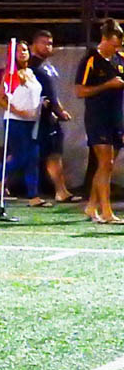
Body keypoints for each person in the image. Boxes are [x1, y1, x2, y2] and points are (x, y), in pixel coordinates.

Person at [0, 41, 45, 208]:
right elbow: (1, 99)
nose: (23, 53)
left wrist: (41, 104)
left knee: (33, 157)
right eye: (18, 51)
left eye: (24, 50)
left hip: (32, 121)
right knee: (20, 157)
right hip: (15, 121)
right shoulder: (11, 74)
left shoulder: (31, 72)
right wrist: (19, 112)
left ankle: (33, 196)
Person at [74, 19, 124, 224]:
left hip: (117, 118)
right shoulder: (90, 61)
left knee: (107, 166)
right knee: (106, 162)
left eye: (119, 45)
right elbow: (80, 91)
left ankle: (91, 206)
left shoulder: (120, 59)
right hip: (97, 117)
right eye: (113, 44)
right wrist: (107, 85)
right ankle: (106, 211)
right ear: (104, 39)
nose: (116, 48)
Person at [29, 29, 75, 202]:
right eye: (44, 43)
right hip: (35, 118)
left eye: (50, 43)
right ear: (34, 44)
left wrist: (59, 110)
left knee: (53, 153)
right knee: (22, 153)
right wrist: (58, 111)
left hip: (47, 118)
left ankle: (61, 190)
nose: (48, 46)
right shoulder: (31, 67)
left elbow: (52, 94)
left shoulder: (47, 67)